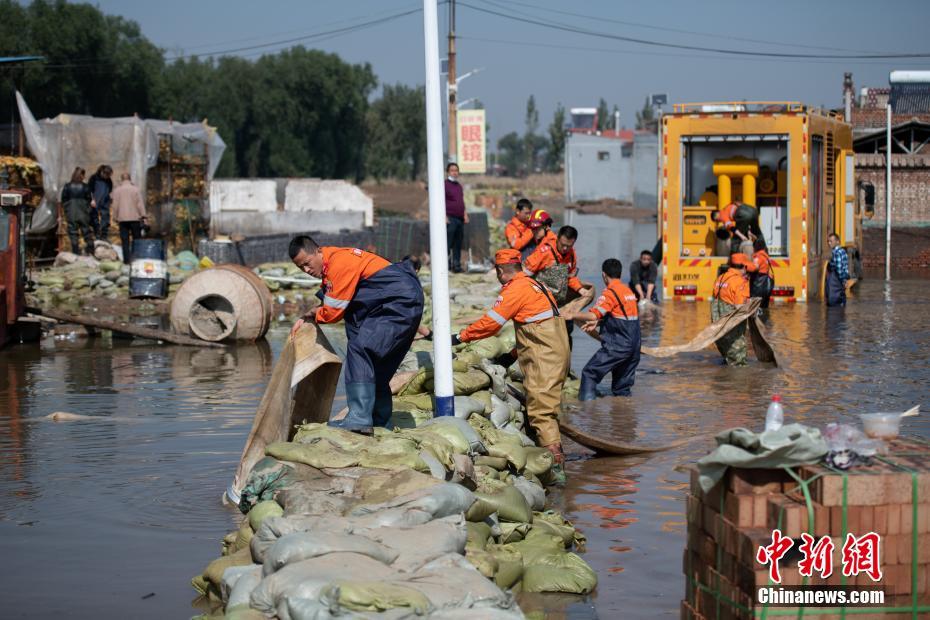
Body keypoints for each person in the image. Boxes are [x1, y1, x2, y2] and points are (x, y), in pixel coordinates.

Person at [454, 249, 570, 484]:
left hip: (544, 358)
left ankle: (556, 472)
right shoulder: (534, 284)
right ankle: (551, 453)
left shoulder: (515, 290)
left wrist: (460, 337)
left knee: (541, 411)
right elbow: (536, 326)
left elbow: (491, 324)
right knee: (547, 406)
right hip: (556, 351)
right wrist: (512, 355)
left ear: (500, 270)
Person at [290, 236, 424, 433]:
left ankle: (359, 418)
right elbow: (338, 301)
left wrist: (315, 315)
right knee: (376, 368)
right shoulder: (335, 265)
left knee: (360, 349)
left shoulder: (339, 262)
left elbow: (332, 313)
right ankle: (379, 422)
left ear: (318, 251)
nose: (307, 271)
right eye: (301, 268)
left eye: (307, 264)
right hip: (399, 303)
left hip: (397, 304)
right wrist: (310, 314)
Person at [565, 259, 641, 399]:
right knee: (622, 388)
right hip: (634, 346)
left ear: (604, 275)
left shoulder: (610, 293)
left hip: (618, 346)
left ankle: (588, 412)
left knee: (589, 373)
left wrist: (571, 314)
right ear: (619, 273)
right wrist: (600, 323)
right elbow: (622, 316)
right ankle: (625, 416)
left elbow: (593, 315)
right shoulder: (627, 291)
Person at [524, 218, 591, 348]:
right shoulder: (544, 252)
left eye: (569, 246)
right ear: (557, 238)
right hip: (540, 302)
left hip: (559, 302)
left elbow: (570, 277)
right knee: (542, 336)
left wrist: (580, 289)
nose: (565, 248)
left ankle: (565, 363)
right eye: (563, 244)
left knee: (567, 330)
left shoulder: (571, 255)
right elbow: (524, 274)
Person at [711, 254, 752, 366]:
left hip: (719, 329)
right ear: (744, 267)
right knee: (739, 366)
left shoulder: (720, 278)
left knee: (727, 359)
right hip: (732, 331)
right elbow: (740, 308)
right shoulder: (740, 282)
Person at [110, 173, 147, 264]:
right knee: (137, 240)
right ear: (130, 179)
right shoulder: (135, 189)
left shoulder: (117, 190)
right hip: (135, 218)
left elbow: (115, 206)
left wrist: (114, 217)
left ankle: (126, 261)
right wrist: (144, 216)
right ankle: (137, 259)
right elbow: (140, 205)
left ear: (121, 179)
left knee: (125, 241)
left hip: (122, 219)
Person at [60, 167, 95, 255]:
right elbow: (89, 200)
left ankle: (75, 252)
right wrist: (88, 210)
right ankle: (91, 251)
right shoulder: (85, 186)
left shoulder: (67, 186)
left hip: (71, 212)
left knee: (73, 233)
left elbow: (63, 199)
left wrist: (67, 210)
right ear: (82, 175)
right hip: (83, 212)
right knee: (86, 231)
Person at [445, 162, 468, 273]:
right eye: (452, 170)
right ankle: (447, 265)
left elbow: (461, 201)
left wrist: (465, 214)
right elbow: (441, 201)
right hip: (450, 217)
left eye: (456, 170)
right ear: (448, 172)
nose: (455, 172)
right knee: (448, 243)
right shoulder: (444, 184)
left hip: (459, 218)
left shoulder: (458, 186)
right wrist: (444, 216)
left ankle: (457, 265)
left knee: (458, 243)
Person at [87, 165, 113, 240]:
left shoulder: (108, 180)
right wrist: (92, 200)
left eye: (109, 175)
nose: (107, 177)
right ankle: (97, 234)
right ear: (102, 173)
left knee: (105, 217)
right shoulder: (94, 178)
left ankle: (104, 235)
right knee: (94, 218)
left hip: (105, 200)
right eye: (107, 175)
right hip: (95, 199)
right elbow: (89, 190)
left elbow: (110, 190)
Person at [747, 238, 775, 309]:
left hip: (758, 286)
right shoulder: (766, 257)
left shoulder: (758, 257)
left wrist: (745, 267)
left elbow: (754, 268)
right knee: (764, 308)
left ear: (756, 247)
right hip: (766, 286)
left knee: (755, 308)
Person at [826, 232, 849, 307]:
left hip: (836, 281)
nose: (829, 243)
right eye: (828, 241)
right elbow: (845, 268)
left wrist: (842, 281)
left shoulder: (836, 253)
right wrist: (845, 281)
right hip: (841, 280)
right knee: (840, 300)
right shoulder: (843, 251)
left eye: (831, 241)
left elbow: (839, 269)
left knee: (833, 302)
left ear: (837, 241)